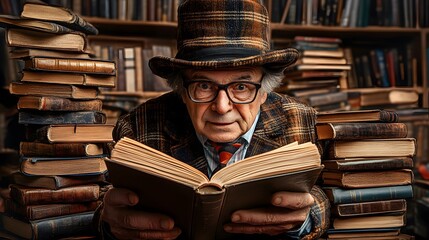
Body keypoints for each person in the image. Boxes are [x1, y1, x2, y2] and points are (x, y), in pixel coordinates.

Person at [99, 0, 330, 239]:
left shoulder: (305, 123)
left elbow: (330, 193)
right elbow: (100, 201)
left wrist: (307, 216)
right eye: (204, 85)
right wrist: (108, 224)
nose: (222, 107)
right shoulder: (136, 127)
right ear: (181, 90)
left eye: (241, 86)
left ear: (264, 92)